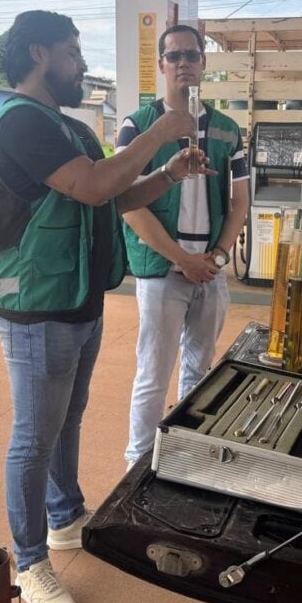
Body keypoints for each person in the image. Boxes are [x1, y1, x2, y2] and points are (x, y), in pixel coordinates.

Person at [0, 10, 205, 603]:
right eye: (73, 53)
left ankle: (64, 518)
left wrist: (167, 172)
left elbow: (112, 193)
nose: (81, 66)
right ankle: (29, 562)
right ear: (39, 54)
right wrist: (160, 132)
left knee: (67, 419)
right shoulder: (21, 123)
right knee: (34, 436)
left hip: (76, 297)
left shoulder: (71, 128)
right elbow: (89, 187)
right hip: (36, 305)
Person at [118, 24, 250, 469]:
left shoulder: (226, 130)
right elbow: (129, 204)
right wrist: (181, 259)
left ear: (203, 63)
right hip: (161, 271)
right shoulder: (138, 126)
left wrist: (218, 257)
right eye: (173, 56)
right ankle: (137, 464)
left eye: (191, 55)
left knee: (199, 372)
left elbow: (240, 201)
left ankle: (184, 459)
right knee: (153, 376)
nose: (183, 64)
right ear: (161, 64)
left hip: (210, 271)